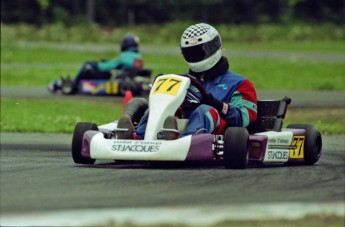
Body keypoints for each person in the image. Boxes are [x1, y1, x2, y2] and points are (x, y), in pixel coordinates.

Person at [117, 23, 257, 140]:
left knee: (204, 110)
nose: (196, 57)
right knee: (154, 107)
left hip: (217, 135)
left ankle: (188, 140)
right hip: (176, 125)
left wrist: (217, 105)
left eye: (199, 52)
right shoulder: (181, 80)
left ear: (214, 46)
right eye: (191, 53)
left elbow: (243, 118)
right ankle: (137, 139)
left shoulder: (240, 84)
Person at [48, 35, 144, 93]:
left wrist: (97, 64)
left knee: (88, 65)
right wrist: (108, 61)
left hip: (118, 78)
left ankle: (74, 84)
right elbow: (118, 65)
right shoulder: (138, 56)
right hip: (127, 77)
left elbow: (104, 68)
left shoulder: (123, 56)